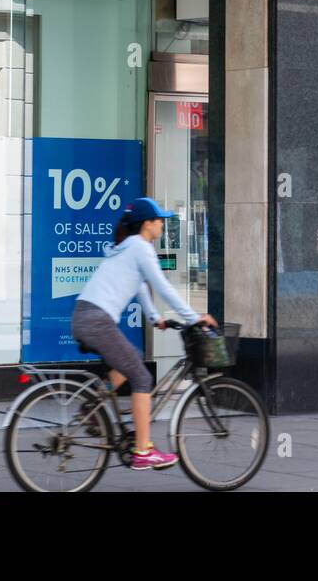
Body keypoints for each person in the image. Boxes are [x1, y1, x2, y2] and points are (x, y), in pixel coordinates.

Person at [71, 197, 218, 471]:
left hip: (84, 316)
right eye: (158, 219)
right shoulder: (140, 247)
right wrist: (194, 317)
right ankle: (143, 450)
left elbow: (139, 284)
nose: (162, 224)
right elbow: (162, 286)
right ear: (147, 224)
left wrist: (154, 317)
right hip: (97, 321)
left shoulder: (125, 248)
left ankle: (91, 407)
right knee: (142, 377)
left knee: (133, 359)